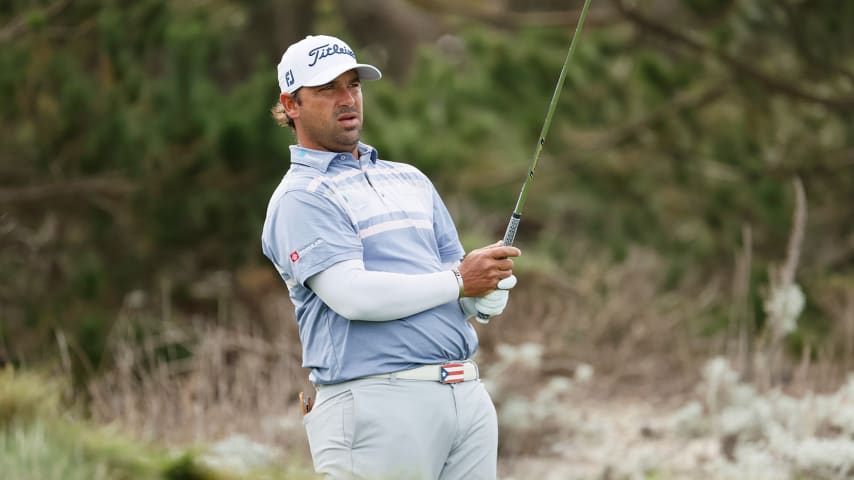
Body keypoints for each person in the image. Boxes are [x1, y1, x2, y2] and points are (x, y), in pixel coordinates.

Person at [261, 34, 521, 480]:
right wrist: (460, 282)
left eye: (354, 86)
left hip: (464, 396)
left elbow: (456, 287)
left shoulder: (411, 179)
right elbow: (354, 296)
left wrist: (485, 295)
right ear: (292, 104)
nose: (347, 100)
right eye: (328, 89)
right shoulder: (300, 197)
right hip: (374, 405)